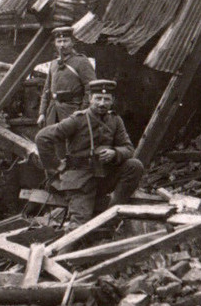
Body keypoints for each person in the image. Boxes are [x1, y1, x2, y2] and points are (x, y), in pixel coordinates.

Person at [35, 79, 144, 225]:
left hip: (103, 176)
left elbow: (128, 148)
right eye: (98, 98)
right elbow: (42, 137)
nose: (102, 103)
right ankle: (67, 247)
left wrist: (115, 152)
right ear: (90, 99)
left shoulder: (115, 120)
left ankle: (111, 216)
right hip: (80, 180)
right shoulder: (77, 120)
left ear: (112, 101)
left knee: (134, 165)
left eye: (106, 99)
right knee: (79, 224)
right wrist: (55, 166)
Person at [36, 26, 96, 127]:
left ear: (72, 43)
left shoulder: (81, 62)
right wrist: (42, 113)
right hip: (53, 112)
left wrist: (82, 112)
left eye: (65, 41)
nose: (62, 45)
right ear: (55, 43)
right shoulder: (54, 63)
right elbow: (46, 90)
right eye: (59, 41)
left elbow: (91, 89)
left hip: (72, 111)